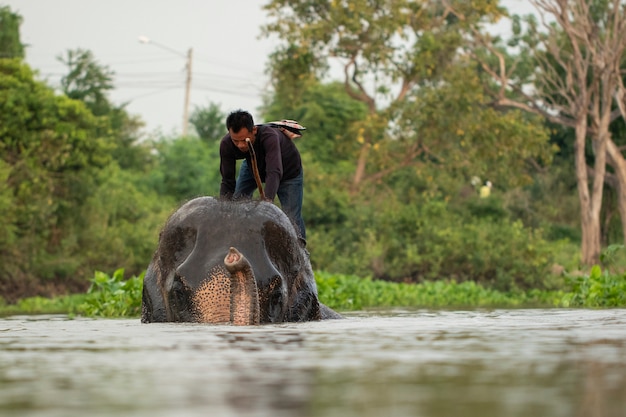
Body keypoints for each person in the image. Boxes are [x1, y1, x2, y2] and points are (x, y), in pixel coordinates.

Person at [219, 110, 307, 240]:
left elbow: (274, 171)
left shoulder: (269, 137)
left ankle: (300, 250)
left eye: (244, 140)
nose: (241, 145)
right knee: (236, 205)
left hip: (287, 172)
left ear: (254, 130)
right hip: (252, 167)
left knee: (291, 218)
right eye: (236, 141)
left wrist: (267, 202)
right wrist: (223, 210)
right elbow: (227, 180)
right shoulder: (226, 144)